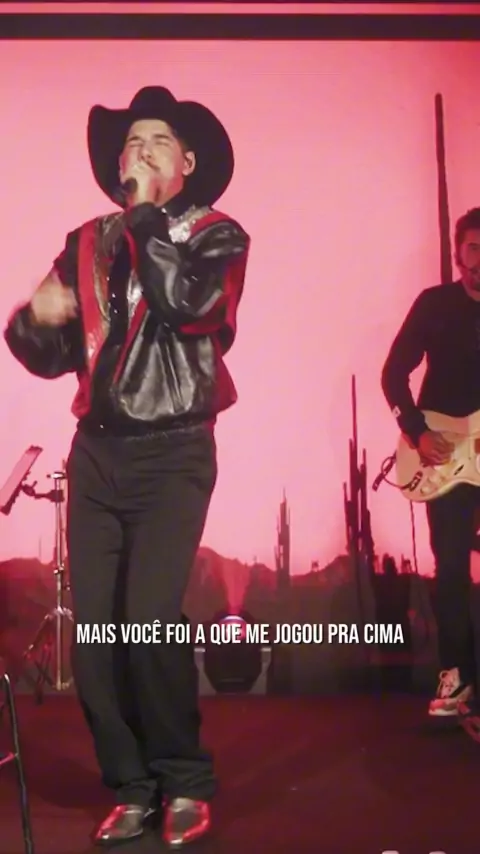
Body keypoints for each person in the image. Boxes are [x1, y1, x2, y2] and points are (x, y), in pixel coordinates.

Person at [4, 86, 250, 847]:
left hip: (174, 453)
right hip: (98, 454)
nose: (139, 151)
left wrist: (145, 223)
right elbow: (50, 353)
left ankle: (184, 777)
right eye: (131, 143)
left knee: (147, 619)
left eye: (157, 141)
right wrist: (33, 320)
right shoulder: (86, 242)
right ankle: (133, 785)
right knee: (97, 638)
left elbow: (191, 306)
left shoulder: (216, 235)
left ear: (187, 163)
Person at [381, 206, 480, 720]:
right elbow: (393, 373)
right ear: (459, 253)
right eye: (474, 248)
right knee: (452, 569)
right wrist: (417, 431)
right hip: (444, 457)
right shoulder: (435, 305)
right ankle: (457, 676)